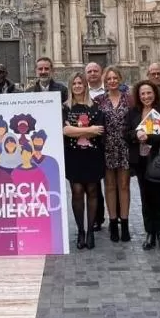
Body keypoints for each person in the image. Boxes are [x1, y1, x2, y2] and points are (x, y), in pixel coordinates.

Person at [127, 80, 160, 251]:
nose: (146, 96)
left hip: (157, 159)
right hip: (140, 160)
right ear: (138, 96)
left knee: (159, 196)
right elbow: (126, 133)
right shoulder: (133, 112)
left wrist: (149, 137)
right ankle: (149, 233)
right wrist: (136, 134)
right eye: (143, 94)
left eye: (149, 93)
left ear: (154, 94)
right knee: (145, 196)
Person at [62, 73, 106, 250]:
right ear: (70, 86)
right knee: (77, 191)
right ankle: (80, 230)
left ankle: (90, 232)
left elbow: (100, 130)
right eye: (75, 83)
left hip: (93, 155)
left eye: (81, 83)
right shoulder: (64, 107)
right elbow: (64, 130)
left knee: (93, 190)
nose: (78, 86)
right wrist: (90, 129)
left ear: (86, 86)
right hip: (73, 155)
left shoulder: (96, 106)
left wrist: (75, 131)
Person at [92, 66, 132, 243]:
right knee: (109, 186)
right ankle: (113, 223)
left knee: (124, 186)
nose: (112, 81)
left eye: (115, 78)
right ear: (104, 81)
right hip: (106, 146)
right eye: (109, 79)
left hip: (124, 146)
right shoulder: (99, 100)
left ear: (120, 79)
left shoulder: (129, 100)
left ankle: (125, 223)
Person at [84, 62, 107, 232]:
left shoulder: (110, 91)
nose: (92, 74)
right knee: (94, 183)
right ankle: (97, 217)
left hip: (110, 142)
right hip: (90, 142)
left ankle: (118, 216)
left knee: (115, 183)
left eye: (95, 71)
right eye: (89, 71)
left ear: (101, 73)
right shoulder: (81, 93)